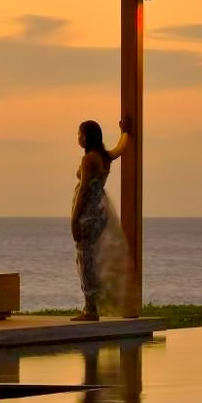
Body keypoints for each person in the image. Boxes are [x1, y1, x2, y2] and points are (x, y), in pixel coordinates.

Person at [69, 116, 130, 322]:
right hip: (99, 211)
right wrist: (125, 132)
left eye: (79, 134)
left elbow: (84, 190)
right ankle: (92, 305)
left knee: (86, 260)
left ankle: (90, 308)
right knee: (92, 258)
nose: (78, 138)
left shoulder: (89, 160)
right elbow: (120, 148)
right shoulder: (104, 157)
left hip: (88, 213)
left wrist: (74, 220)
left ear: (87, 137)